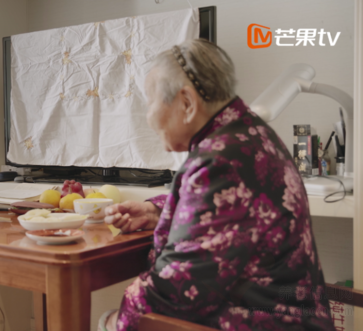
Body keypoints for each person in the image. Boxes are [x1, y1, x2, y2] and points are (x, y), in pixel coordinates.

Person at [100, 39, 334, 331]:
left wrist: (110, 323)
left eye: (150, 101)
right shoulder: (250, 133)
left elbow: (176, 288)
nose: (148, 117)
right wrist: (155, 211)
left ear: (186, 103)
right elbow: (227, 212)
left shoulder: (222, 161)